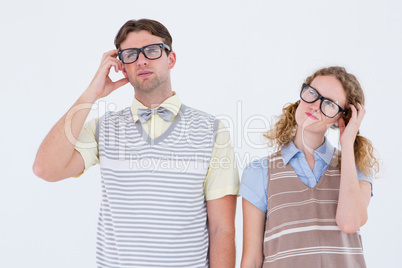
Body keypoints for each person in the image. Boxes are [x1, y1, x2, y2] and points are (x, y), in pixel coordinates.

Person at [33, 19, 239, 268]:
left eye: (152, 50)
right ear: (121, 66)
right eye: (130, 54)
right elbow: (45, 168)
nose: (141, 60)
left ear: (170, 59)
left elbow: (222, 229)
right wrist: (92, 94)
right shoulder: (103, 129)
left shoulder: (212, 130)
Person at [240, 66, 379, 268]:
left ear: (342, 117)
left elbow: (349, 223)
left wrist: (347, 144)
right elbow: (252, 260)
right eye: (312, 93)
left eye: (329, 103)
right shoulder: (259, 172)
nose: (315, 105)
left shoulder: (356, 169)